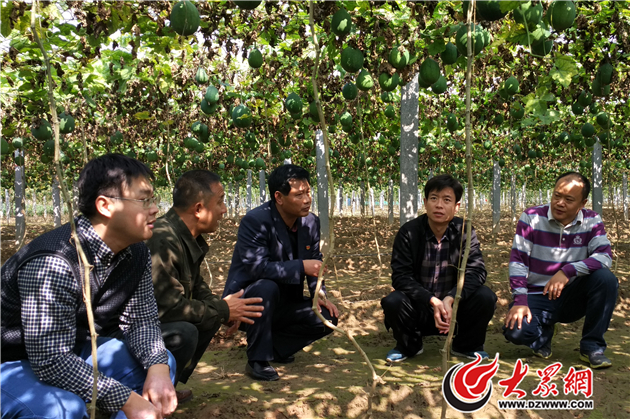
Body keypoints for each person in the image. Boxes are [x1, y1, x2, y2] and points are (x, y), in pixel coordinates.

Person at [1, 154, 177, 419]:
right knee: (60, 410)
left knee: (160, 362)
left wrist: (159, 368)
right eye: (144, 200)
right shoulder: (54, 262)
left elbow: (141, 320)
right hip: (11, 360)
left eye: (154, 199)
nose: (155, 209)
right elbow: (50, 360)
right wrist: (128, 400)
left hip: (69, 347)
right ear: (105, 206)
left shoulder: (136, 252)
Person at [146, 170, 264, 401]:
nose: (224, 210)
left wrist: (225, 311)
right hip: (132, 331)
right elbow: (166, 309)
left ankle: (166, 385)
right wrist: (222, 309)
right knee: (186, 331)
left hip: (153, 326)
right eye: (220, 202)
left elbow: (197, 286)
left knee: (210, 315)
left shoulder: (182, 237)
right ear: (199, 209)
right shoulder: (163, 239)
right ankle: (147, 393)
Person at [222, 164, 339, 381]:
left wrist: (320, 294)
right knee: (266, 287)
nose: (307, 199)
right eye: (299, 195)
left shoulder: (311, 222)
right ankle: (257, 360)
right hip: (249, 303)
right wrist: (301, 266)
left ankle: (274, 348)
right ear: (279, 197)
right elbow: (257, 268)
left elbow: (315, 262)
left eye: (308, 192)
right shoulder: (256, 221)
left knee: (326, 316)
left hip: (286, 301)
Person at [503, 172, 618, 369]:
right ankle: (543, 333)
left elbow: (604, 256)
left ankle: (592, 347)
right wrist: (520, 299)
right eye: (557, 195)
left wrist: (568, 271)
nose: (560, 203)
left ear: (582, 203)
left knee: (606, 279)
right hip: (537, 295)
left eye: (569, 199)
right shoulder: (531, 217)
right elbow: (518, 260)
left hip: (572, 296)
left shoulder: (592, 220)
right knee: (516, 330)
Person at [381, 174, 497, 363]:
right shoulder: (409, 232)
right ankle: (409, 345)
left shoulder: (465, 231)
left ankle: (466, 345)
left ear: (456, 206)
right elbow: (401, 277)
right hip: (421, 308)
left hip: (456, 309)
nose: (439, 205)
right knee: (394, 301)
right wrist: (433, 301)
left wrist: (451, 298)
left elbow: (476, 271)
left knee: (485, 296)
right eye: (434, 198)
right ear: (425, 202)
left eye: (446, 200)